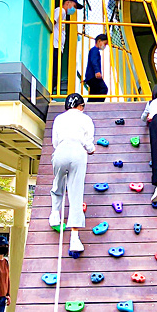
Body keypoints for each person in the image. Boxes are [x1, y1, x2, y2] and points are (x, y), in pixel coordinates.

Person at [50, 93, 94, 258]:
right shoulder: (85, 119)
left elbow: (55, 142)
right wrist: (91, 149)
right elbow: (88, 142)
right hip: (78, 152)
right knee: (76, 193)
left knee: (58, 183)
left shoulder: (59, 119)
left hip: (61, 150)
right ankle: (74, 238)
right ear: (81, 106)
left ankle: (55, 214)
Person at [52, 0, 79, 93]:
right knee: (54, 72)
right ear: (68, 3)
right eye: (74, 6)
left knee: (56, 72)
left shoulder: (63, 13)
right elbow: (53, 22)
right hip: (56, 45)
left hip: (59, 46)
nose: (74, 9)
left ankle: (51, 92)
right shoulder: (61, 10)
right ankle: (50, 93)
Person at [84, 33, 109, 102]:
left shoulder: (94, 50)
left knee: (94, 93)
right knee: (103, 89)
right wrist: (97, 71)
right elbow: (94, 61)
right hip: (93, 76)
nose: (105, 46)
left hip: (90, 76)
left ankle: (90, 106)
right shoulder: (94, 50)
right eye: (105, 43)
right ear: (99, 41)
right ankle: (97, 105)